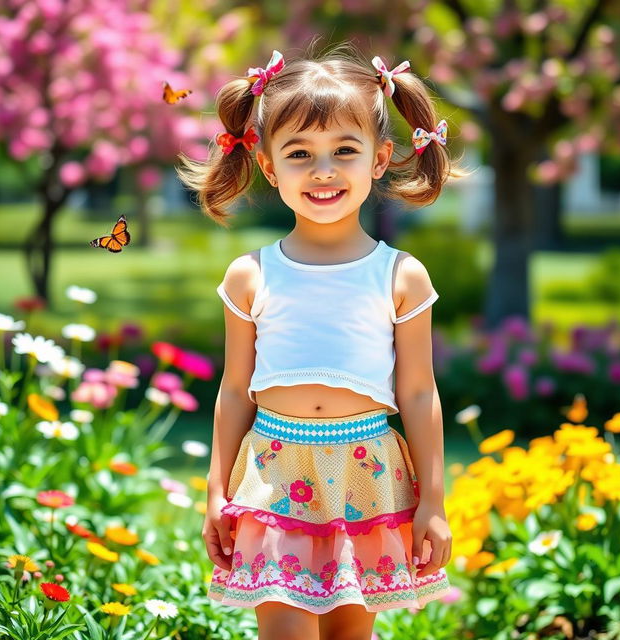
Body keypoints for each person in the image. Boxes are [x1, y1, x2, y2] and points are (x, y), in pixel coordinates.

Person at [176, 41, 467, 640]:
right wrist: (214, 490)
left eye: (345, 151)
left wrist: (433, 502)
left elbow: (418, 394)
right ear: (267, 163)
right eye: (300, 153)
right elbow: (235, 391)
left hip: (367, 475)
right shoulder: (251, 275)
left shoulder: (400, 275)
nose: (324, 170)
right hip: (273, 475)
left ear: (381, 159)